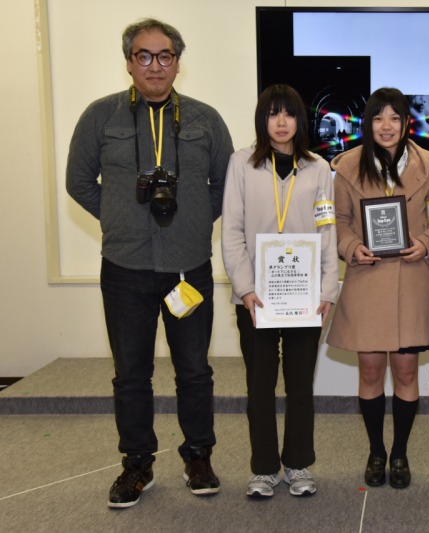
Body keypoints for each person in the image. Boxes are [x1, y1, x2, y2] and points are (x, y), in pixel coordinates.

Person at [65, 18, 233, 508]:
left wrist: (193, 222)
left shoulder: (205, 118)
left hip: (187, 266)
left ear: (178, 62)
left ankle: (198, 456)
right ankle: (137, 464)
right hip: (124, 268)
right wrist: (119, 219)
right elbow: (79, 182)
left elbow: (225, 187)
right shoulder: (101, 116)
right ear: (129, 62)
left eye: (165, 56)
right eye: (144, 56)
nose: (155, 65)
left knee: (194, 371)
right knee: (131, 374)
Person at [221, 84, 338, 499]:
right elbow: (232, 231)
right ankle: (265, 468)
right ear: (262, 120)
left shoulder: (319, 168)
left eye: (289, 113)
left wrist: (327, 289)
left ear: (300, 120)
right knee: (260, 385)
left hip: (305, 298)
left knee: (300, 385)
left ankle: (299, 463)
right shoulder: (241, 164)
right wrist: (245, 288)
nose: (282, 121)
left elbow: (327, 230)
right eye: (273, 113)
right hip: (256, 299)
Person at [327, 87, 429, 489]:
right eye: (379, 118)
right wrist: (350, 247)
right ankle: (377, 451)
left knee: (407, 372)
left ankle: (400, 453)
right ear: (368, 123)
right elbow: (338, 222)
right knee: (372, 371)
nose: (387, 126)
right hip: (367, 280)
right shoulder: (346, 167)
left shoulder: (427, 164)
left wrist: (425, 244)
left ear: (406, 122)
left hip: (412, 281)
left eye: (395, 118)